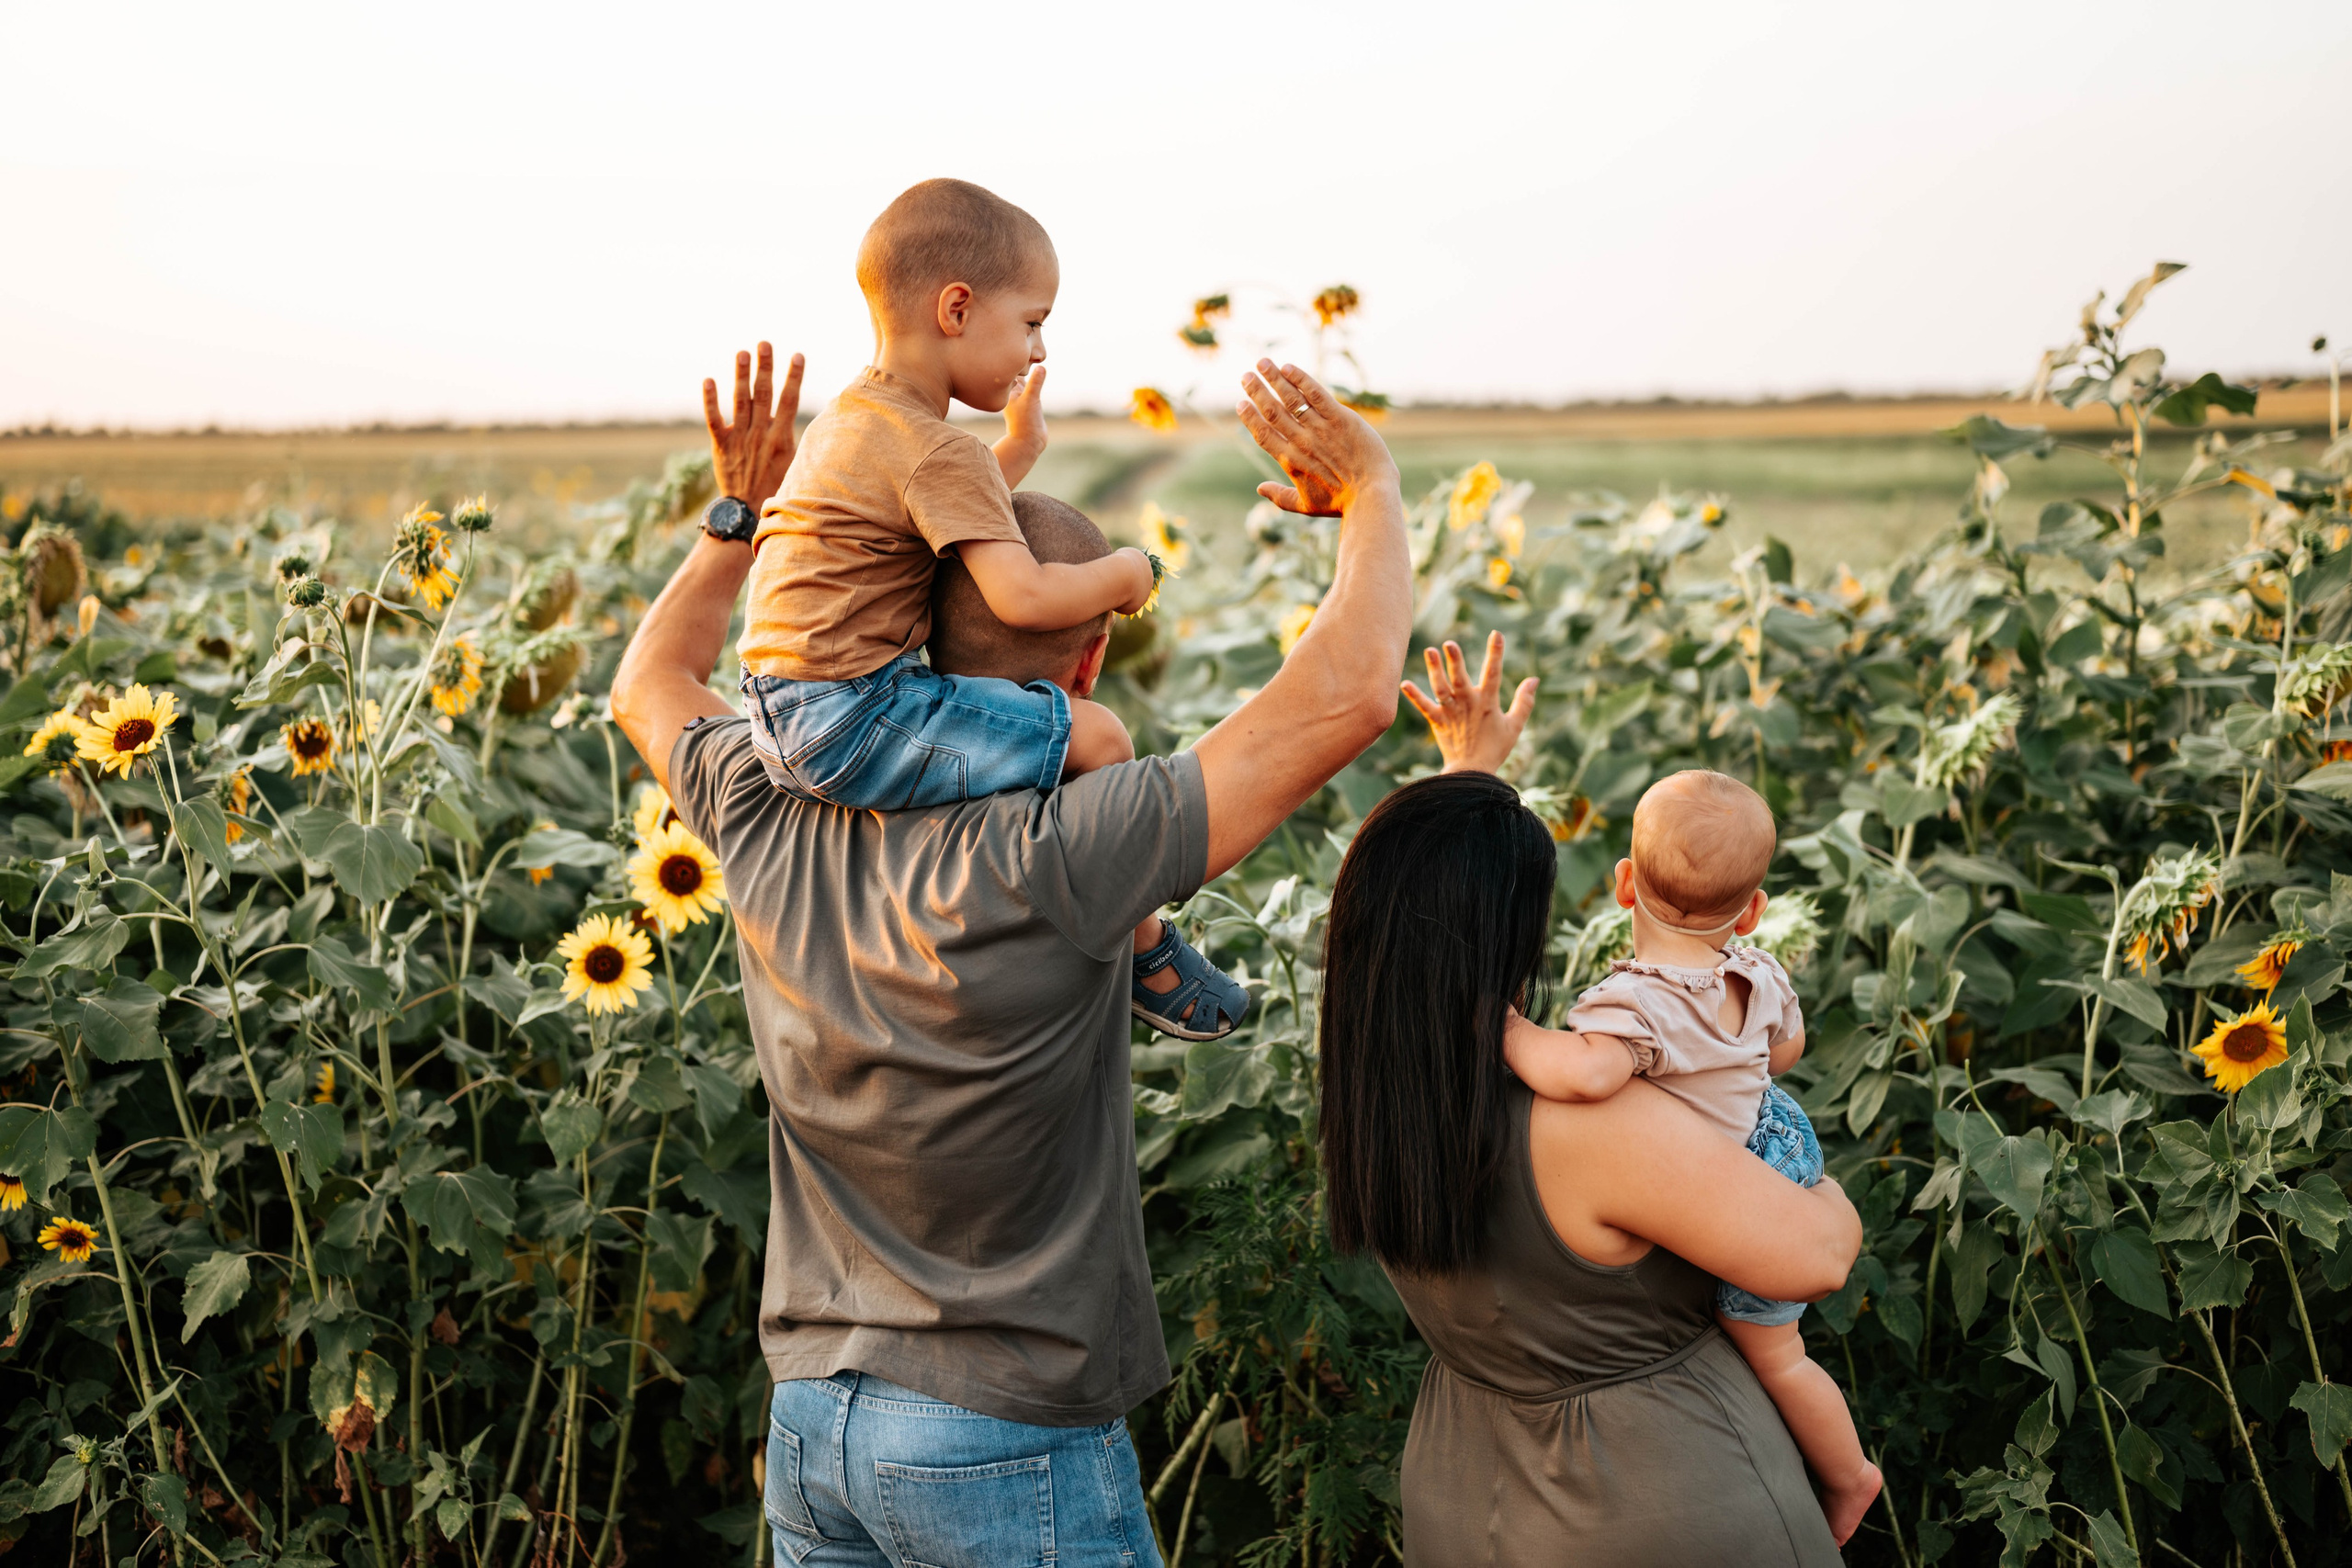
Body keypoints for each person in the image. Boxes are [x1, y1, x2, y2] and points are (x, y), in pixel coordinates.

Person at [611, 342, 1411, 1567]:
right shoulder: (1068, 847)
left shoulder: (764, 804)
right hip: (1002, 1437)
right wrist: (1373, 491)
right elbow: (1347, 696)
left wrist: (743, 513)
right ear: (1088, 659)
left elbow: (649, 680)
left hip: (813, 1421)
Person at [1320, 633, 1864, 1567]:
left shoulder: (1384, 1083)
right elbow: (1815, 1258)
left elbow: (1423, 927)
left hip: (1463, 1497)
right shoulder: (1597, 1125)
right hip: (1664, 1504)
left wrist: (1469, 776)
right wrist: (1807, 1175)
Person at [726, 177, 1240, 1039]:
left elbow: (941, 521)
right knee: (1102, 738)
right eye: (1032, 321)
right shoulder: (933, 446)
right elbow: (1022, 593)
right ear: (957, 307)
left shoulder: (854, 420)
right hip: (848, 715)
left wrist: (1018, 449)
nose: (1038, 350)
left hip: (774, 704)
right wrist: (1125, 574)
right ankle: (1149, 952)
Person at [1502, 766, 1883, 1543]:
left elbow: (1586, 1071)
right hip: (1786, 1131)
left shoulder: (1635, 1005)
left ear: (1622, 884)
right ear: (1752, 910)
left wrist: (1503, 1026)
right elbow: (1786, 1049)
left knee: (1777, 1354)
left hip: (1750, 1168)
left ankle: (1851, 1478)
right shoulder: (1756, 969)